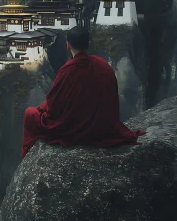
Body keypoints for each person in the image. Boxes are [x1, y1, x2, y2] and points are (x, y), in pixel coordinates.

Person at [21, 26, 146, 158]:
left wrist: (41, 108)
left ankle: (26, 157)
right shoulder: (102, 64)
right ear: (88, 44)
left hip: (74, 127)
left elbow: (54, 105)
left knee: (30, 113)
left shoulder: (67, 70)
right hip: (102, 126)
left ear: (68, 45)